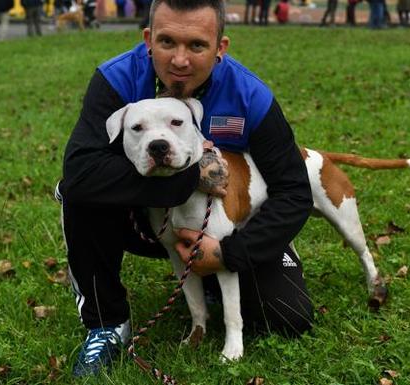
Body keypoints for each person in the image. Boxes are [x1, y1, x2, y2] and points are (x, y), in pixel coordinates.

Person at [57, 0, 314, 377]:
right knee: (78, 195)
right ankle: (107, 323)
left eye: (196, 45)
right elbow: (80, 173)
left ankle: (212, 279)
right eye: (166, 43)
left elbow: (294, 191)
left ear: (220, 47)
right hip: (144, 222)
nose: (180, 60)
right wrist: (186, 179)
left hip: (230, 225)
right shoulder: (117, 80)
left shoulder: (250, 95)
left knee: (289, 317)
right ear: (148, 40)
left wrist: (231, 252)